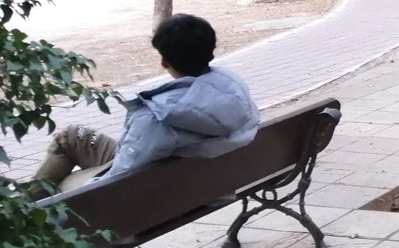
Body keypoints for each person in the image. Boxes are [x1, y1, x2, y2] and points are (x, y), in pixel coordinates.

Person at [27, 14, 259, 198]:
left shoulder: (157, 119)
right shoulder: (233, 85)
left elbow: (118, 182)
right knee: (71, 136)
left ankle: (20, 216)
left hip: (149, 196)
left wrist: (82, 186)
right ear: (210, 50)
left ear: (164, 61)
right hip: (200, 180)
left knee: (55, 183)